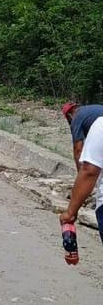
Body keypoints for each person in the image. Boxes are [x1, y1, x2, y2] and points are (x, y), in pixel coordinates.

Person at [59, 102, 103, 242]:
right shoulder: (93, 110)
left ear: (69, 114)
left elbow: (78, 149)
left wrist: (80, 177)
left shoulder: (79, 119)